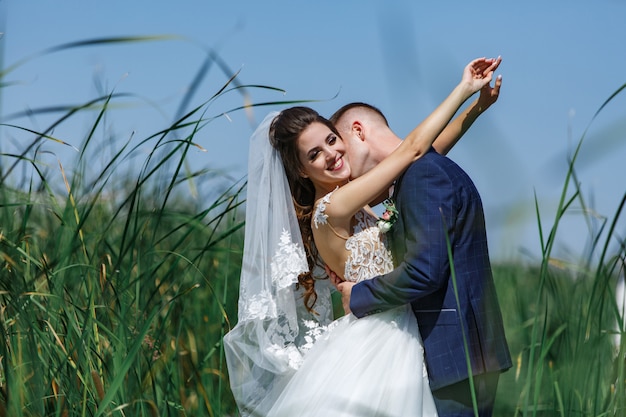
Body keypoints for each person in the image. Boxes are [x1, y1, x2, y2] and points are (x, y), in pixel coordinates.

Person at [223, 57, 501, 417]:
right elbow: (412, 150)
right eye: (315, 154)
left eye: (331, 140)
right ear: (301, 171)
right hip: (380, 338)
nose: (332, 154)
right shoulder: (333, 207)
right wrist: (463, 90)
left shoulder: (357, 196)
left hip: (400, 328)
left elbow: (428, 153)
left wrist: (476, 109)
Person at [330, 62, 512, 416]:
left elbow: (425, 270)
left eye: (340, 147)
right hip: (459, 359)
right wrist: (476, 108)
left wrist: (359, 295)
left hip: (455, 359)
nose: (344, 168)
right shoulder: (421, 172)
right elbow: (426, 146)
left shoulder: (423, 176)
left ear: (358, 131)